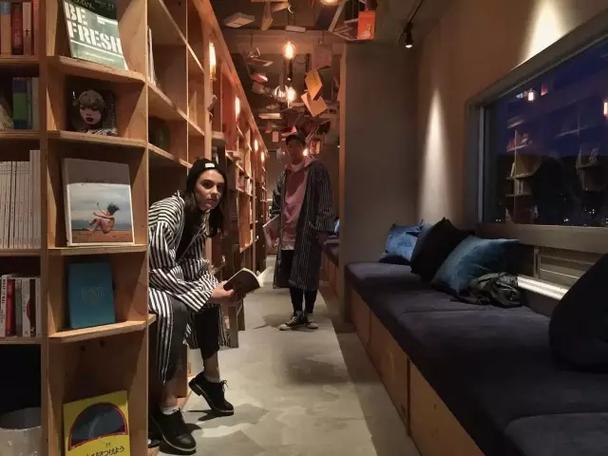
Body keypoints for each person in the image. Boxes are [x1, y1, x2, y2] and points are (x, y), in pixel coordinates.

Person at [148, 159, 240, 454]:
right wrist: (206, 293)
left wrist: (214, 288)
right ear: (192, 185)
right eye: (207, 184)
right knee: (172, 310)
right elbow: (158, 270)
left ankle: (210, 378)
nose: (214, 193)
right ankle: (166, 407)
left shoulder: (199, 214)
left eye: (220, 188)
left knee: (208, 300)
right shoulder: (168, 213)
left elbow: (193, 263)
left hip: (167, 276)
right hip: (140, 280)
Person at [271, 133, 335, 331]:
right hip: (288, 231)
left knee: (309, 272)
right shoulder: (285, 173)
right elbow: (277, 200)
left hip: (308, 230)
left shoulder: (316, 169)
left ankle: (309, 313)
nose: (293, 150)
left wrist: (322, 228)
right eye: (289, 146)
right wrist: (274, 225)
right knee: (293, 274)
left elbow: (325, 199)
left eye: (296, 145)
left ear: (303, 147)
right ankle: (297, 312)